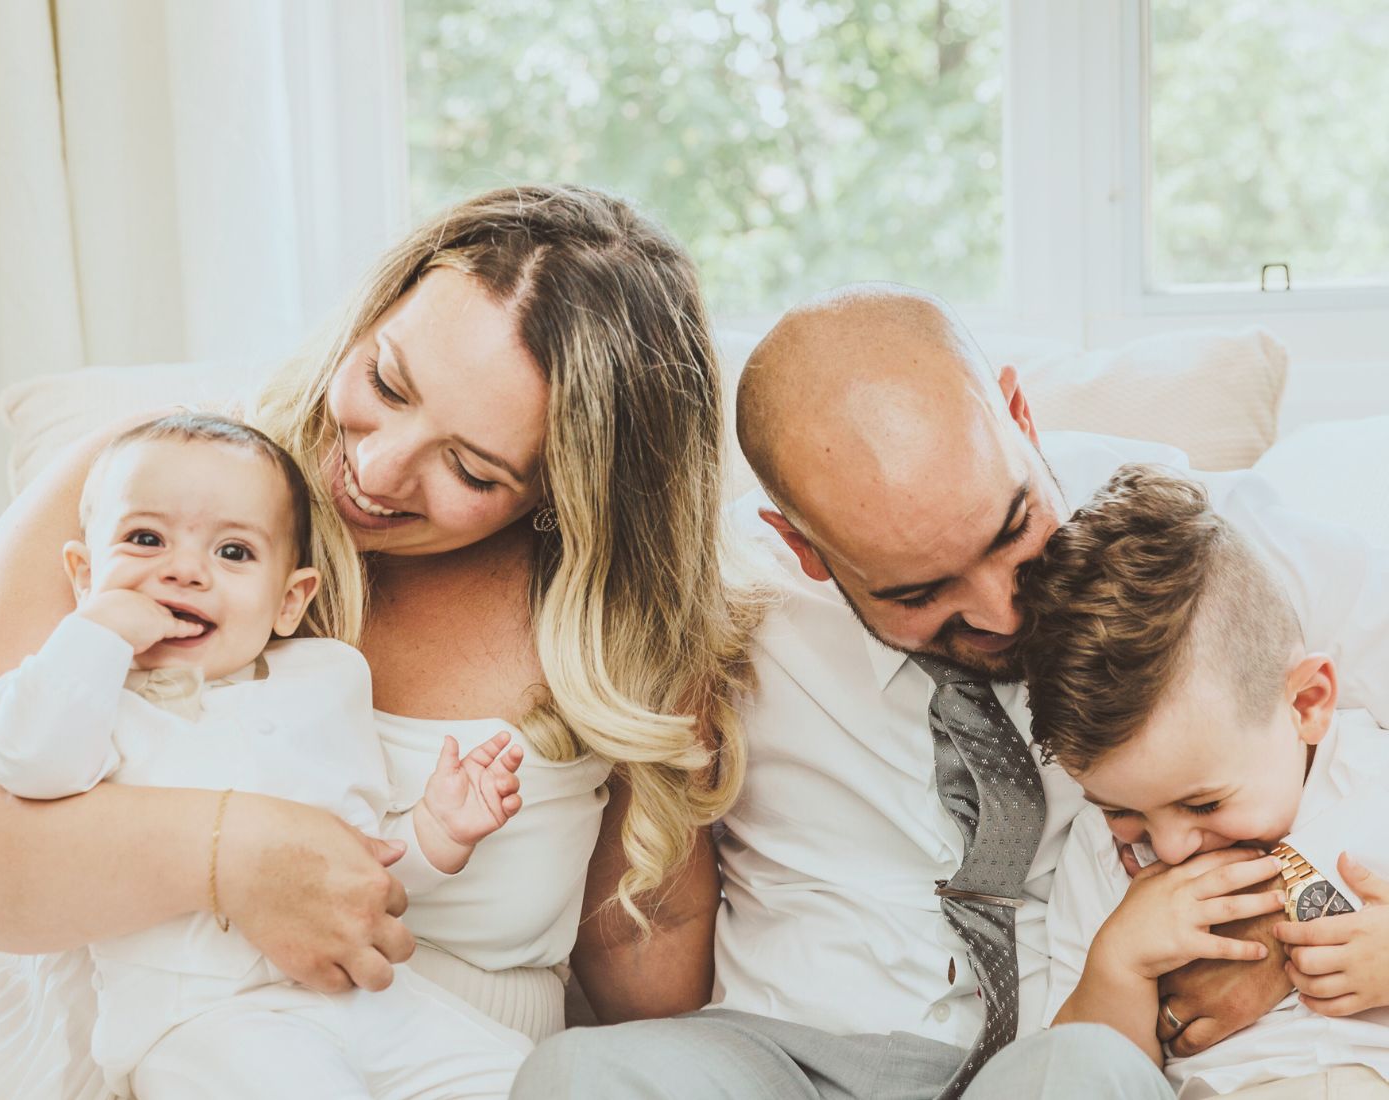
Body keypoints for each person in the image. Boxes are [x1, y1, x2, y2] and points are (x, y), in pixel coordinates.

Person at [512, 283, 1389, 1098]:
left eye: (1012, 532)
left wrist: (1296, 928)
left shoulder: (1188, 547)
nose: (1005, 610)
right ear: (805, 546)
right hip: (797, 1053)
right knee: (579, 1074)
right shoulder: (719, 601)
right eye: (916, 592)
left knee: (1081, 1067)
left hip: (1053, 1063)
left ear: (1017, 416)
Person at [0, 186, 760, 1097]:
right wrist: (238, 852)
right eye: (386, 382)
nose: (378, 468)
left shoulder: (606, 636)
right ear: (372, 310)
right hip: (193, 1041)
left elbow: (642, 969)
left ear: (566, 492)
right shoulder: (149, 494)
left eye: (472, 468)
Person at [0, 412, 538, 1097]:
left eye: (234, 553)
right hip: (207, 1022)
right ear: (83, 572)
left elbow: (356, 874)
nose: (185, 570)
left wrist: (435, 831)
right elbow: (29, 764)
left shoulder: (324, 685)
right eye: (145, 539)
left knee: (517, 1075)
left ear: (289, 600)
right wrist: (96, 631)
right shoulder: (90, 693)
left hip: (367, 998)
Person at [1027, 464, 1389, 1099]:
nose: (1166, 849)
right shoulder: (1099, 864)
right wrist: (1118, 967)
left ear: (1306, 704)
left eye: (1203, 802)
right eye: (1122, 812)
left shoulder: (1375, 778)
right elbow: (1082, 1075)